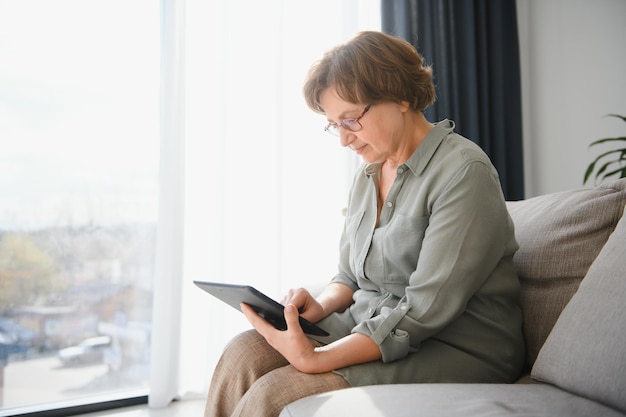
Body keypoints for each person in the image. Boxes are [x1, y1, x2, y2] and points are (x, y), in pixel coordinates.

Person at [204, 30, 525, 417]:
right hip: (374, 324)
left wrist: (317, 360)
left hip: (456, 346)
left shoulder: (463, 173)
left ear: (401, 96)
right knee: (244, 351)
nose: (343, 140)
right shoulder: (368, 175)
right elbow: (349, 277)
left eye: (351, 120)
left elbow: (423, 312)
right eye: (333, 125)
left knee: (279, 392)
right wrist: (317, 307)